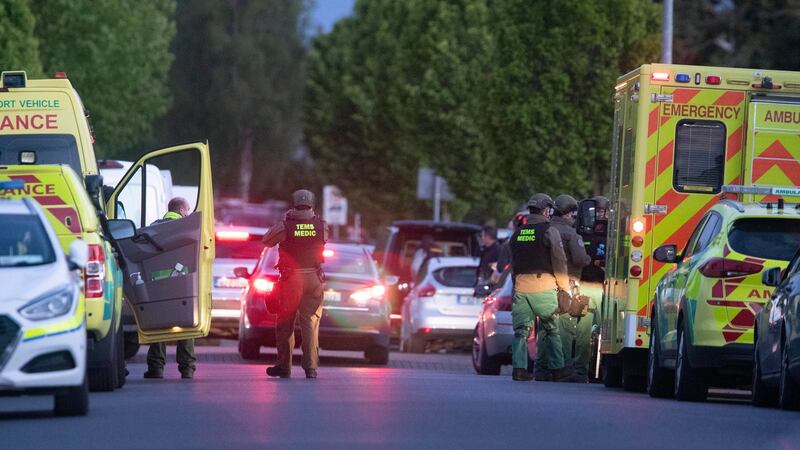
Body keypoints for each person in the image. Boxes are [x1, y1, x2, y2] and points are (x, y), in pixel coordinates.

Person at [262, 189, 328, 379]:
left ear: (294, 204)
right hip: (314, 279)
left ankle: (284, 366)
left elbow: (266, 240)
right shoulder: (322, 226)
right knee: (311, 323)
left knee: (285, 323)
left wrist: (285, 220)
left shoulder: (285, 226)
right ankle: (311, 368)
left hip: (291, 281)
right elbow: (323, 240)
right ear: (312, 204)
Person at [509, 193, 575, 382]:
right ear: (546, 210)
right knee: (551, 329)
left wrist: (516, 287)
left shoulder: (517, 233)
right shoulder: (549, 231)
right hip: (544, 288)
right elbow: (559, 261)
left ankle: (519, 369)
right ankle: (557, 369)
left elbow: (513, 264)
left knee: (520, 331)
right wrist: (564, 288)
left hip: (521, 288)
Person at [534, 194, 591, 381]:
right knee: (565, 329)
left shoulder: (545, 230)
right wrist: (592, 260)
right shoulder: (571, 234)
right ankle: (563, 369)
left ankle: (541, 369)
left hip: (543, 286)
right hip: (566, 286)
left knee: (545, 328)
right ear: (569, 214)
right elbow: (581, 259)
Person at [144, 197, 196, 380]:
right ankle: (187, 368)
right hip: (181, 282)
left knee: (159, 325)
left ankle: (156, 368)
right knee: (185, 325)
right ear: (181, 210)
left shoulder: (154, 227)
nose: (188, 214)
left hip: (157, 282)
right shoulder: (185, 229)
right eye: (188, 210)